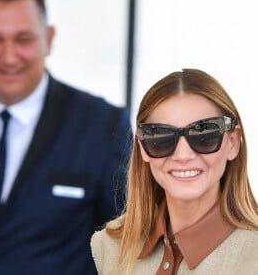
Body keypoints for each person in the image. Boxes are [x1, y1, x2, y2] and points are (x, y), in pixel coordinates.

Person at [0, 0, 132, 274]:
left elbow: (129, 244)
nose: (9, 56)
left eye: (23, 39)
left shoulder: (102, 124)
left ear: (48, 38)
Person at [91, 69, 258, 274]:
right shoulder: (110, 246)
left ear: (233, 142)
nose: (183, 155)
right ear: (143, 147)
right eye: (161, 137)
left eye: (204, 134)